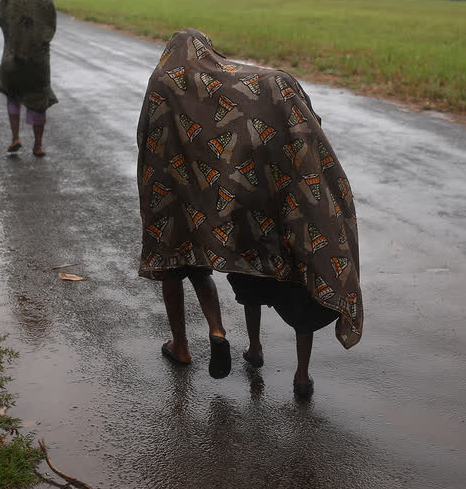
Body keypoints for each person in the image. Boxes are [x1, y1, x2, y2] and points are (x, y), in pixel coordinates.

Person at [136, 28, 363, 397]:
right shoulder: (259, 83)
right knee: (242, 283)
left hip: (177, 200)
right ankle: (236, 342)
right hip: (238, 201)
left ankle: (190, 342)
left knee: (180, 269)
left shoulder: (163, 82)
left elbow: (150, 143)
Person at [0, 0, 58, 157]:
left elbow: (0, 17)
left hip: (14, 57)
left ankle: (15, 138)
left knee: (12, 93)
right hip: (39, 60)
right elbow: (51, 24)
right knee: (39, 99)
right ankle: (38, 146)